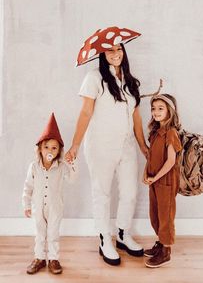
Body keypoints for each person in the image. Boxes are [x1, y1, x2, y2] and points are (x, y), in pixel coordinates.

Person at [65, 42, 148, 266]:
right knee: (101, 193)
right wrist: (74, 145)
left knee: (130, 191)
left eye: (119, 49)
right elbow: (85, 112)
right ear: (103, 55)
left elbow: (137, 117)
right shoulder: (94, 78)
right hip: (101, 145)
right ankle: (104, 238)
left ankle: (122, 233)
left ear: (124, 52)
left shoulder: (130, 81)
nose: (115, 54)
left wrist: (143, 147)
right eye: (110, 50)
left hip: (127, 145)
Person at [22, 113, 77, 275]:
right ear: (40, 148)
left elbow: (72, 180)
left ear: (59, 150)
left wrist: (73, 165)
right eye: (46, 147)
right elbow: (28, 187)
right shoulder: (34, 167)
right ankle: (39, 258)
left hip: (55, 207)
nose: (50, 151)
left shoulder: (61, 167)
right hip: (38, 207)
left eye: (54, 148)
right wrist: (26, 204)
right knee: (40, 233)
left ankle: (53, 259)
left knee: (53, 233)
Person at [143, 94, 182, 268]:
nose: (156, 111)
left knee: (165, 216)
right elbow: (150, 157)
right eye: (153, 108)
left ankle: (166, 251)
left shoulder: (171, 133)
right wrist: (146, 173)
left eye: (161, 108)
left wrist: (155, 177)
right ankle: (160, 242)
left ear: (170, 111)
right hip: (154, 181)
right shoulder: (154, 133)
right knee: (155, 214)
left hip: (165, 181)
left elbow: (171, 161)